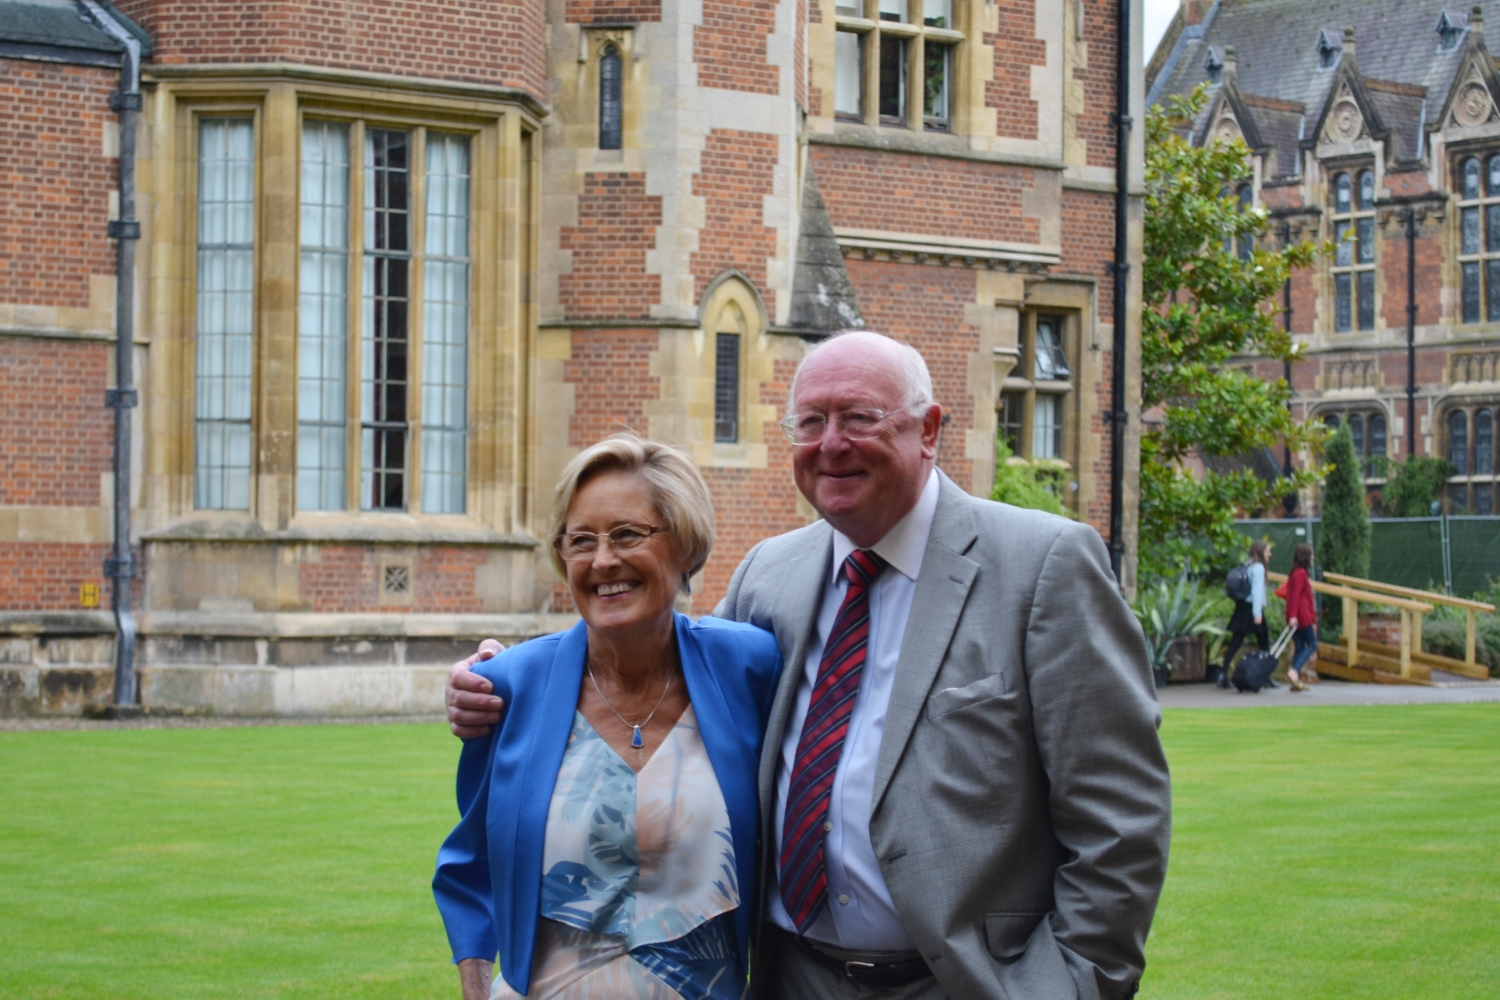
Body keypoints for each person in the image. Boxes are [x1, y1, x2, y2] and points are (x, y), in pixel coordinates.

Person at [448, 331, 1171, 1000]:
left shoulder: (1042, 566)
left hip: (965, 982)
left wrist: (1073, 985)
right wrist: (501, 677)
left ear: (929, 430)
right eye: (810, 423)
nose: (831, 445)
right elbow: (651, 645)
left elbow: (1119, 817)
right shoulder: (772, 576)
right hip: (793, 977)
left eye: (858, 418)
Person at [431, 435, 782, 1000]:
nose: (602, 561)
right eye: (580, 541)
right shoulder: (508, 687)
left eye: (627, 534)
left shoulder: (750, 667)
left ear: (686, 546)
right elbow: (470, 866)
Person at [1219, 539, 1272, 690]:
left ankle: (1223, 674)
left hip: (1241, 608)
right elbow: (1256, 592)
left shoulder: (1247, 565)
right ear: (1261, 552)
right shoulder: (1259, 568)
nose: (1270, 554)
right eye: (1268, 551)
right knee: (1264, 644)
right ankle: (1266, 676)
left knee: (1235, 643)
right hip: (1252, 609)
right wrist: (1257, 614)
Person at [1279, 543, 1317, 692]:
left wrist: (1290, 615)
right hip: (1302, 615)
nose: (1313, 558)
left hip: (1295, 615)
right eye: (1311, 555)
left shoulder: (1295, 573)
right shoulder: (1301, 573)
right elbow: (1295, 596)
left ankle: (1296, 682)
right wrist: (1294, 615)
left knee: (1300, 646)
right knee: (1313, 644)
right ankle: (1294, 671)